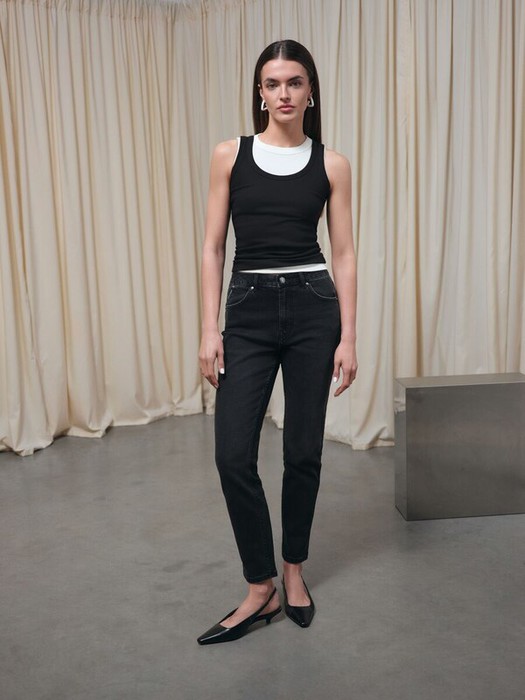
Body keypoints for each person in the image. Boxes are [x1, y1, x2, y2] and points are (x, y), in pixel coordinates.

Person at [197, 39, 357, 645]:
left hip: (315, 308)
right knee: (233, 454)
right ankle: (259, 584)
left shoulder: (332, 163)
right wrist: (208, 329)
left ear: (311, 91)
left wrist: (349, 335)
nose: (283, 93)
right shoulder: (230, 155)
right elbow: (214, 247)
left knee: (303, 451)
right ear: (259, 93)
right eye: (272, 83)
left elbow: (344, 253)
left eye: (294, 82)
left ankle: (293, 570)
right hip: (249, 308)